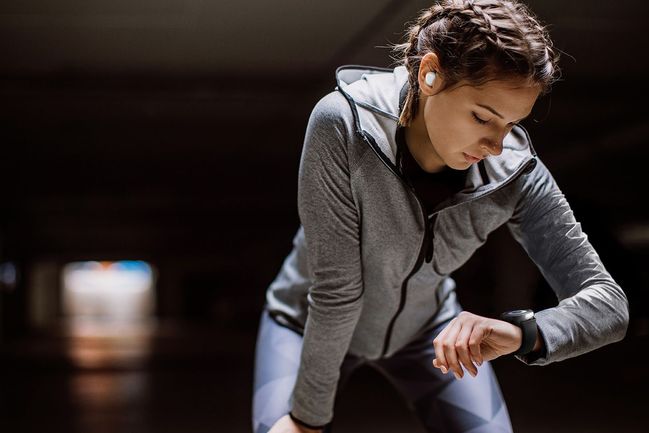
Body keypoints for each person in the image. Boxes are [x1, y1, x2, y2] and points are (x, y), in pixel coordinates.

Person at [252, 1, 630, 432]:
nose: (495, 144)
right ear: (430, 73)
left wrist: (524, 331)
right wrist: (307, 421)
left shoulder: (515, 172)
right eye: (482, 117)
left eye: (510, 125)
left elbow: (608, 303)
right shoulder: (344, 123)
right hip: (305, 323)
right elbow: (338, 292)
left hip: (426, 332)